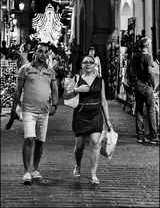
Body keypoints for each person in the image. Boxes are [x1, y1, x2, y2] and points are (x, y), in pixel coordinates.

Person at [11, 42, 58, 185]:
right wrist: (13, 109)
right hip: (28, 110)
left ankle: (35, 169)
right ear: (35, 53)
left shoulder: (50, 71)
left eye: (45, 52)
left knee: (40, 141)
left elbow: (55, 89)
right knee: (29, 139)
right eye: (40, 51)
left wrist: (54, 105)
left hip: (44, 111)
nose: (43, 54)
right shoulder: (25, 69)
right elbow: (18, 90)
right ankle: (27, 171)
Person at [64, 55, 113, 184]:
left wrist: (107, 119)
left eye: (91, 62)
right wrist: (77, 90)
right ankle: (78, 165)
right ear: (82, 65)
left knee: (95, 142)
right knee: (79, 146)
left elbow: (103, 101)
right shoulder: (76, 78)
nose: (88, 64)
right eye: (86, 62)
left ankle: (93, 174)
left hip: (96, 115)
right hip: (80, 114)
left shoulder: (100, 80)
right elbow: (66, 95)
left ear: (94, 65)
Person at [133, 37, 159, 144]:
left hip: (138, 85)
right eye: (150, 44)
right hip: (147, 86)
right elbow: (150, 71)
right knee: (151, 110)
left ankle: (140, 135)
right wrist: (153, 83)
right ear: (147, 45)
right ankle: (153, 136)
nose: (151, 45)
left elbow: (132, 71)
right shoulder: (148, 56)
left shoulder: (136, 56)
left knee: (139, 110)